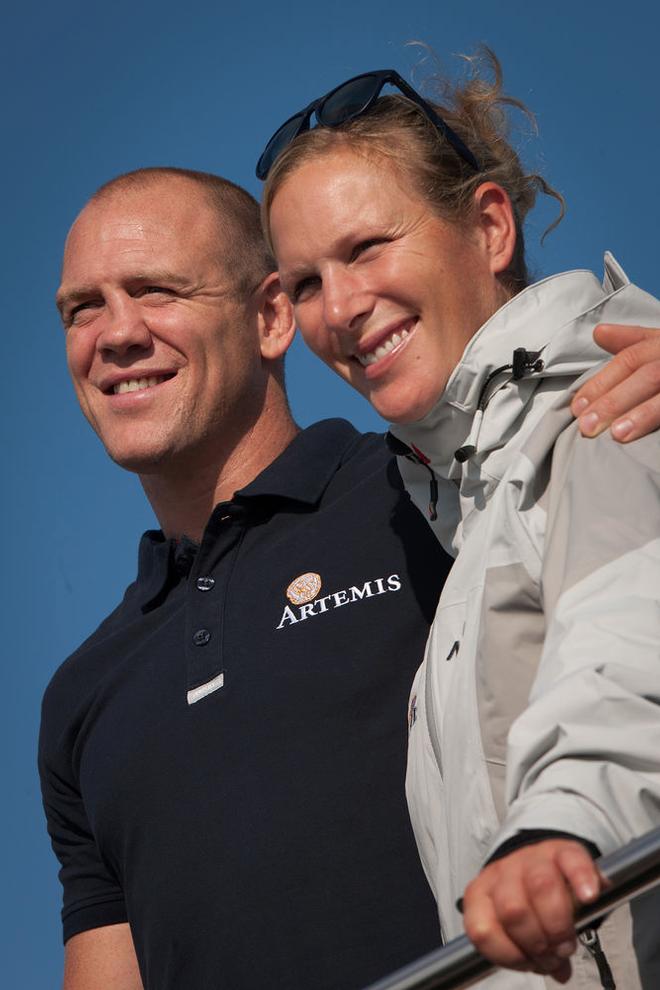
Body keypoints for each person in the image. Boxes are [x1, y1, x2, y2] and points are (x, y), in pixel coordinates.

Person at [260, 52, 660, 988]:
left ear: (487, 227)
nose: (343, 310)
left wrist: (558, 829)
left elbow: (632, 639)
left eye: (365, 249)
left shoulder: (606, 409)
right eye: (307, 283)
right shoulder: (457, 512)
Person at [39, 166, 454, 990]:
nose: (115, 334)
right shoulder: (81, 696)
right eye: (83, 307)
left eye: (156, 291)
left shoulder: (429, 491)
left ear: (270, 317)